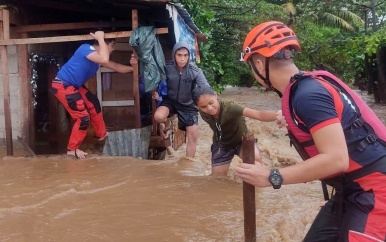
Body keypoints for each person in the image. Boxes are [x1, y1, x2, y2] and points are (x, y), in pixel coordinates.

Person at [235, 21, 386, 241]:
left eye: (251, 66)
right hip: (353, 188)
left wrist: (272, 176)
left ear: (259, 63)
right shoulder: (305, 89)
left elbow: (337, 160)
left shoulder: (308, 95)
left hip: (374, 189)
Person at [50, 31, 138, 159]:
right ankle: (72, 149)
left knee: (93, 103)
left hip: (74, 86)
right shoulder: (86, 48)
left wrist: (133, 69)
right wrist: (101, 38)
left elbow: (116, 66)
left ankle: (101, 134)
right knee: (83, 117)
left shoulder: (97, 59)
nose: (113, 49)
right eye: (112, 45)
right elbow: (105, 58)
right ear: (104, 44)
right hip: (63, 85)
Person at [192, 85, 285, 175]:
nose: (209, 108)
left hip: (243, 142)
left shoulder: (231, 107)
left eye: (211, 103)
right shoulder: (202, 112)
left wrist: (278, 116)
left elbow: (258, 114)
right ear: (197, 107)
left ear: (215, 95)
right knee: (218, 179)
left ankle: (258, 188)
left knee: (255, 161)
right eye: (203, 107)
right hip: (222, 144)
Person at [153, 41, 210, 158]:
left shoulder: (195, 71)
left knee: (193, 136)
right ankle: (167, 122)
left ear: (189, 56)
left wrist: (208, 104)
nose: (182, 59)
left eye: (185, 55)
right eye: (179, 55)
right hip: (171, 102)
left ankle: (188, 165)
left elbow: (206, 88)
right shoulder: (166, 68)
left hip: (189, 105)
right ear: (174, 55)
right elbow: (151, 73)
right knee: (158, 116)